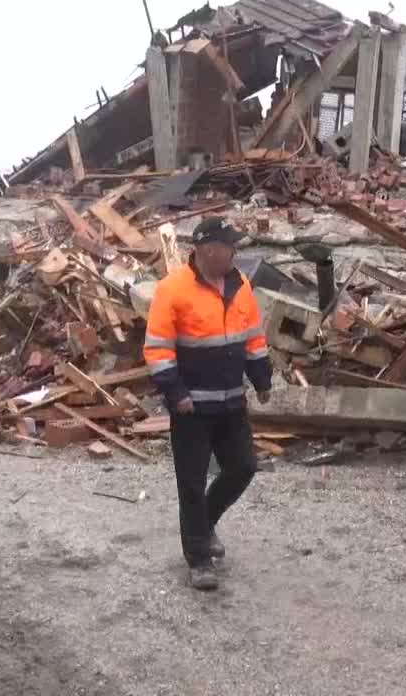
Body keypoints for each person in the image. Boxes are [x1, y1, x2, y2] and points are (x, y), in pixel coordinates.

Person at [143, 216, 272, 591]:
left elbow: (253, 336)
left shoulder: (240, 284)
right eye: (230, 245)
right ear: (208, 249)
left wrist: (261, 378)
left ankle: (206, 523)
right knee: (192, 483)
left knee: (243, 467)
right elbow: (157, 349)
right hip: (192, 408)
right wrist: (176, 393)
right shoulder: (173, 290)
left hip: (232, 401)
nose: (235, 251)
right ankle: (198, 558)